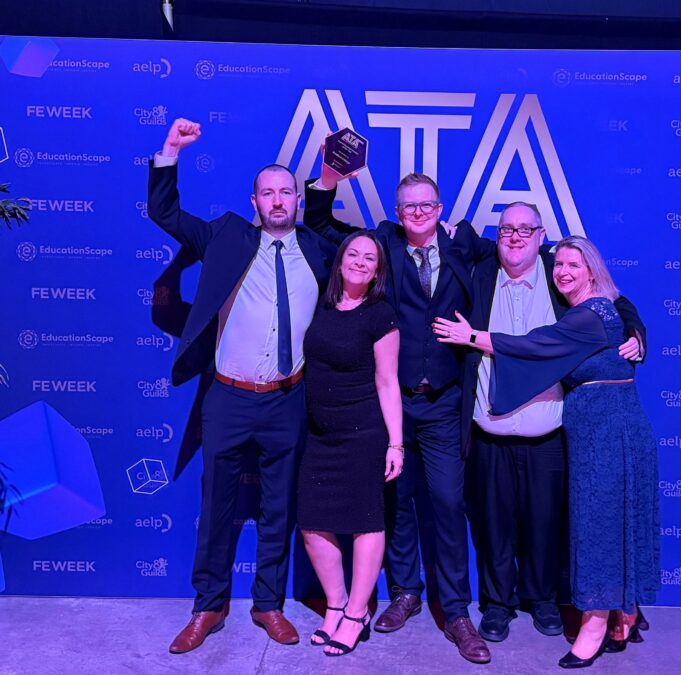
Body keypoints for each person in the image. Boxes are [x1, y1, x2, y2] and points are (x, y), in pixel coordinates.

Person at [147, 118, 337, 654]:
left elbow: (370, 261)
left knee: (279, 507)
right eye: (267, 193)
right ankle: (208, 606)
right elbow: (164, 212)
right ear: (254, 200)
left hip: (289, 398)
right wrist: (170, 150)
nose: (277, 200)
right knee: (216, 506)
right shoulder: (226, 235)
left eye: (286, 192)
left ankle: (268, 604)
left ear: (297, 199)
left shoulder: (320, 250)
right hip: (227, 397)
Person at [433, 235, 660, 669]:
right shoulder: (585, 308)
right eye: (559, 265)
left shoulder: (593, 313)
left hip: (609, 432)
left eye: (575, 265)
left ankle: (594, 626)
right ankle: (623, 613)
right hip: (592, 431)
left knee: (598, 528)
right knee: (608, 524)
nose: (564, 272)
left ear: (592, 270)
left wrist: (472, 336)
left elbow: (536, 344)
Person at [303, 156, 492, 663]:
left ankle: (456, 612)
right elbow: (319, 223)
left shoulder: (464, 244)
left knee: (448, 503)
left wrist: (623, 314)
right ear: (397, 211)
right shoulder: (382, 243)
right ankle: (405, 591)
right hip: (390, 405)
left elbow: (528, 255)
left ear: (440, 208)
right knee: (397, 502)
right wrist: (327, 180)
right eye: (409, 206)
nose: (418, 213)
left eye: (427, 205)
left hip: (444, 401)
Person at [297, 230, 403, 656]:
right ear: (339, 262)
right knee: (312, 523)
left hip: (364, 434)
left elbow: (388, 381)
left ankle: (358, 614)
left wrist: (396, 444)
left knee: (366, 522)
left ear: (377, 271)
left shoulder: (381, 315)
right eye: (353, 254)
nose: (360, 261)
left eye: (369, 258)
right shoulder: (321, 305)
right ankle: (336, 604)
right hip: (319, 435)